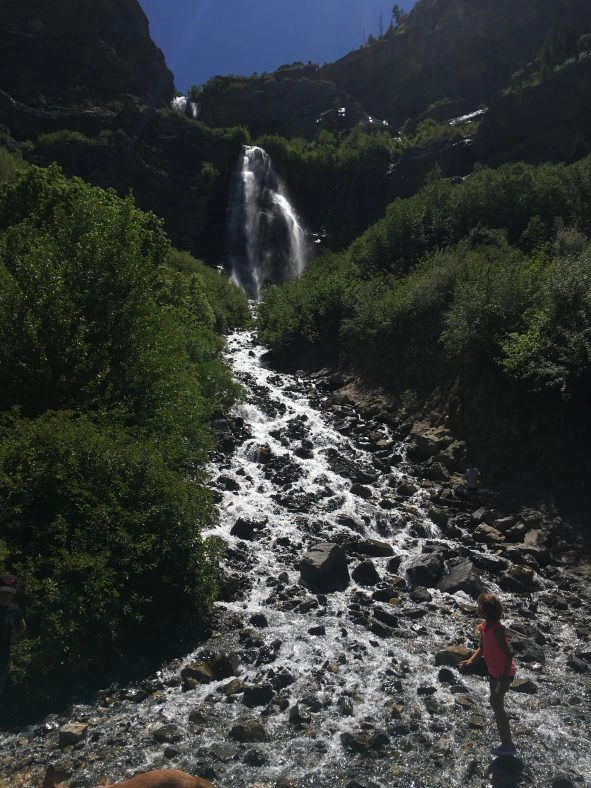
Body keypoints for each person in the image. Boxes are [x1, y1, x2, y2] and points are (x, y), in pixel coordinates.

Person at [459, 592, 517, 756]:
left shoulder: (498, 629)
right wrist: (470, 661)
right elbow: (482, 649)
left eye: (479, 607)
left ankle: (508, 745)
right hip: (495, 672)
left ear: (486, 611)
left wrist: (505, 678)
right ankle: (506, 742)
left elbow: (508, 654)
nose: (477, 609)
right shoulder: (485, 627)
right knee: (496, 704)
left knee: (497, 706)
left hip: (503, 673)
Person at [0, 574, 26, 696]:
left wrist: (11, 638)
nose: (5, 596)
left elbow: (22, 627)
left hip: (2, 660)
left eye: (9, 593)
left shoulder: (14, 610)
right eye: (3, 592)